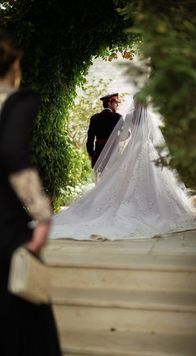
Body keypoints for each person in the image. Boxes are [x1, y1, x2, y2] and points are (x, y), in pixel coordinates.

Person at [50, 98, 196, 241]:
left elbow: (124, 137)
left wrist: (124, 136)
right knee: (156, 180)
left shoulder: (128, 116)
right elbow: (155, 138)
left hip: (132, 151)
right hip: (149, 150)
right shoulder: (151, 117)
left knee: (124, 179)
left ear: (134, 103)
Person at [0, 31, 61, 356]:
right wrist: (41, 216)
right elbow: (12, 152)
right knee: (23, 317)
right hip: (4, 225)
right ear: (13, 66)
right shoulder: (17, 101)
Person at [86, 93, 122, 167]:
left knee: (101, 176)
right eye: (115, 103)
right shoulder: (117, 117)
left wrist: (91, 153)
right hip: (114, 152)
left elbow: (90, 138)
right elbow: (126, 134)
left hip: (99, 153)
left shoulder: (94, 118)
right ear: (109, 103)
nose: (117, 105)